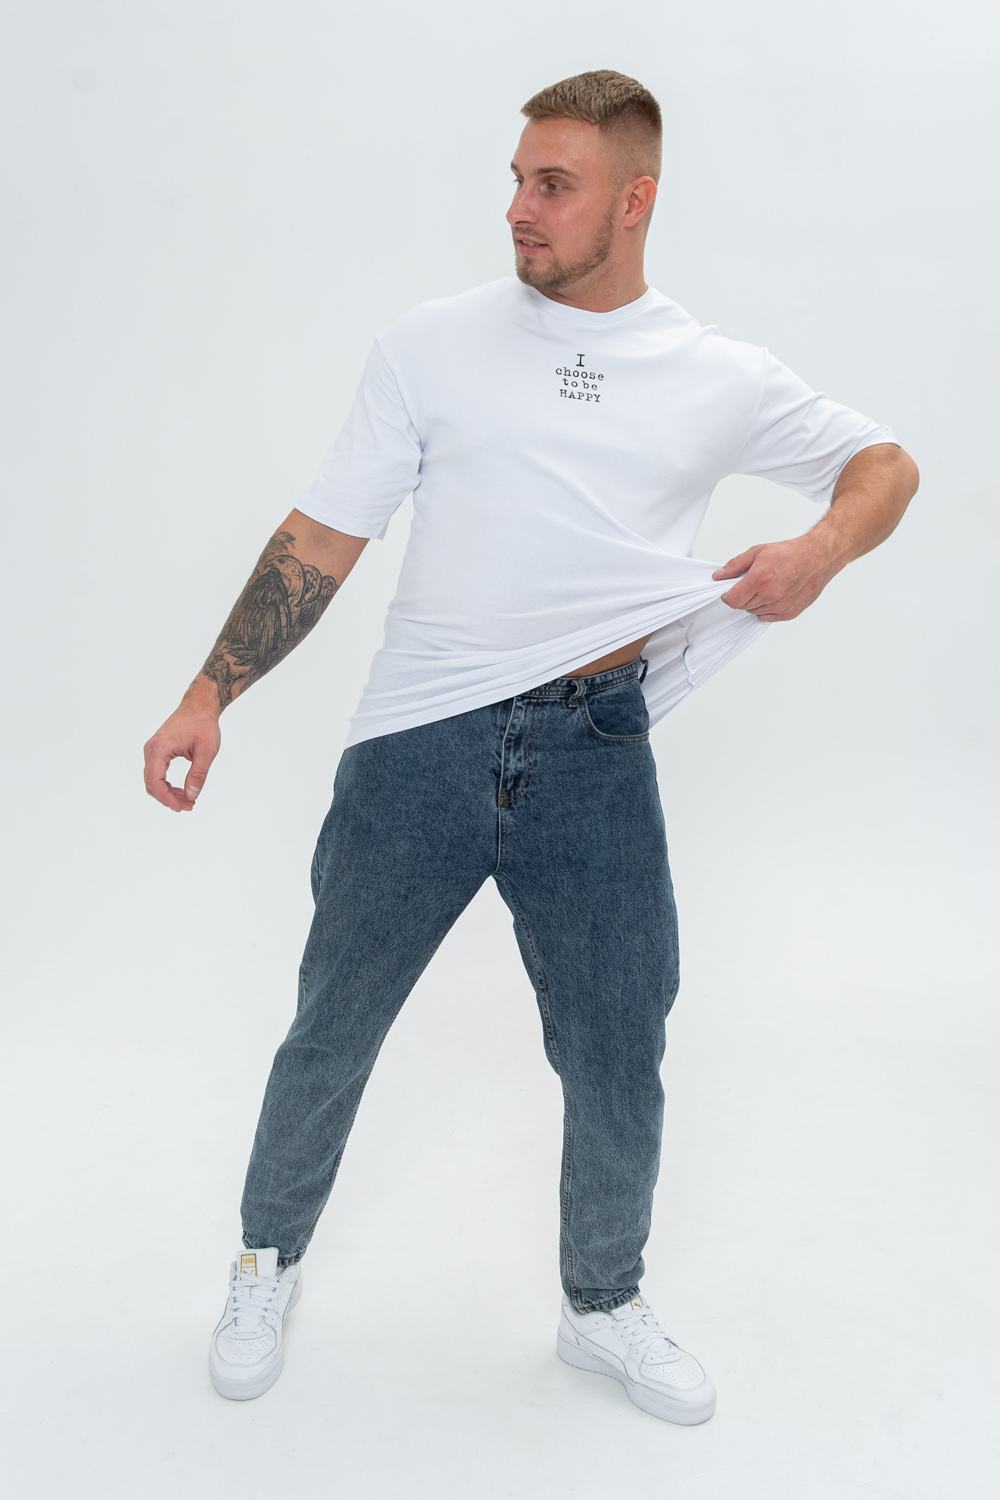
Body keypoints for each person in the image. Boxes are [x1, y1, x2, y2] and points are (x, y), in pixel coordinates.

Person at [143, 70, 918, 1422]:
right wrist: (211, 691)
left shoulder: (717, 373)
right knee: (332, 1025)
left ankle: (601, 1303)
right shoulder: (429, 346)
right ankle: (267, 1260)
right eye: (516, 179)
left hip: (594, 752)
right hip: (418, 744)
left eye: (553, 185)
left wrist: (822, 549)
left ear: (635, 200)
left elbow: (886, 465)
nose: (519, 207)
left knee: (618, 1046)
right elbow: (323, 535)